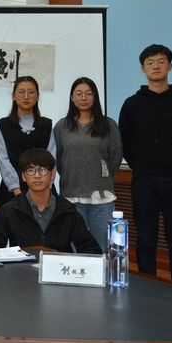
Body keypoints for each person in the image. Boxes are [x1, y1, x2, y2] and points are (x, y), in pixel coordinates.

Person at [119, 44, 172, 284]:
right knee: (146, 237)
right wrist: (142, 165)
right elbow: (125, 142)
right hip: (144, 180)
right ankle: (148, 290)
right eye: (150, 62)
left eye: (161, 61)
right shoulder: (132, 104)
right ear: (142, 69)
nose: (156, 66)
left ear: (170, 66)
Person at [53, 77, 123, 252]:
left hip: (102, 198)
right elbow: (59, 158)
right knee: (74, 249)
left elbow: (115, 157)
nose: (83, 98)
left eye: (88, 93)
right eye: (79, 94)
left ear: (95, 97)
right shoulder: (62, 126)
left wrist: (101, 176)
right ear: (72, 97)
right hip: (71, 197)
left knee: (103, 249)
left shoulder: (108, 125)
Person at [0, 148, 101, 254]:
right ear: (23, 177)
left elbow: (92, 249)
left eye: (43, 170)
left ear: (52, 175)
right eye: (31, 170)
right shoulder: (10, 210)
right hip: (23, 268)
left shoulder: (68, 211)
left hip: (58, 267)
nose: (37, 176)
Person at [0, 76, 56, 206]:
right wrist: (16, 189)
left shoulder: (46, 125)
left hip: (43, 189)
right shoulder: (3, 125)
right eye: (21, 92)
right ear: (13, 96)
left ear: (37, 97)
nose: (26, 96)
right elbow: (3, 159)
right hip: (12, 190)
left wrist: (46, 186)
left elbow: (52, 157)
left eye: (31, 92)